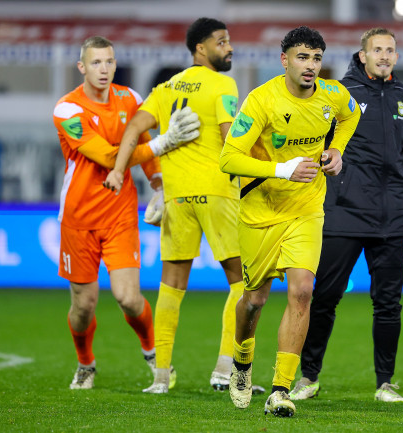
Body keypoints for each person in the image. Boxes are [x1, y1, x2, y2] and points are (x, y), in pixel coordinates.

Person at [288, 27, 403, 403]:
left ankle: (385, 383)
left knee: (388, 304)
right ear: (362, 56)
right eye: (377, 49)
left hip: (392, 216)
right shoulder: (337, 93)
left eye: (390, 50)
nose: (384, 55)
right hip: (342, 211)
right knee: (324, 298)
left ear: (396, 57)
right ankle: (308, 377)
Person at [104, 17, 262, 395]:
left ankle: (161, 377)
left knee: (171, 287)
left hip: (176, 197)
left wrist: (119, 170)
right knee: (243, 283)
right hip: (218, 192)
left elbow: (133, 127)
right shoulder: (223, 84)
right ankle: (224, 368)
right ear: (200, 49)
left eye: (229, 41)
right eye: (221, 41)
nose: (229, 47)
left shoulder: (165, 88)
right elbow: (229, 136)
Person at [219, 26, 360, 417]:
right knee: (254, 301)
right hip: (261, 212)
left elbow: (351, 116)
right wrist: (282, 169)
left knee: (302, 293)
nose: (310, 65)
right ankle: (241, 362)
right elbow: (228, 159)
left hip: (307, 209)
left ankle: (280, 390)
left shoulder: (333, 94)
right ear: (284, 61)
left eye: (316, 58)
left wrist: (337, 149)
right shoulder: (261, 100)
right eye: (302, 57)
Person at [53, 36, 199, 390]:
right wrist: (164, 143)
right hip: (78, 218)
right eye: (96, 63)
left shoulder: (130, 99)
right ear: (82, 67)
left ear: (115, 64)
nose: (103, 69)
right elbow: (107, 157)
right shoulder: (67, 110)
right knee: (84, 306)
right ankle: (85, 363)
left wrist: (159, 183)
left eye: (109, 62)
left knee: (129, 298)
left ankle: (153, 353)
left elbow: (142, 141)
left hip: (119, 214)